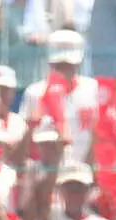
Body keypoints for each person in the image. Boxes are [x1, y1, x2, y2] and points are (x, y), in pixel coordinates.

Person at [18, 29, 99, 164]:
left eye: (68, 65)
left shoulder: (92, 89)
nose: (64, 69)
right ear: (50, 63)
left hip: (84, 171)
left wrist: (87, 167)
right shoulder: (35, 92)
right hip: (46, 172)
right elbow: (24, 144)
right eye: (59, 65)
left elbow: (100, 134)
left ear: (78, 63)